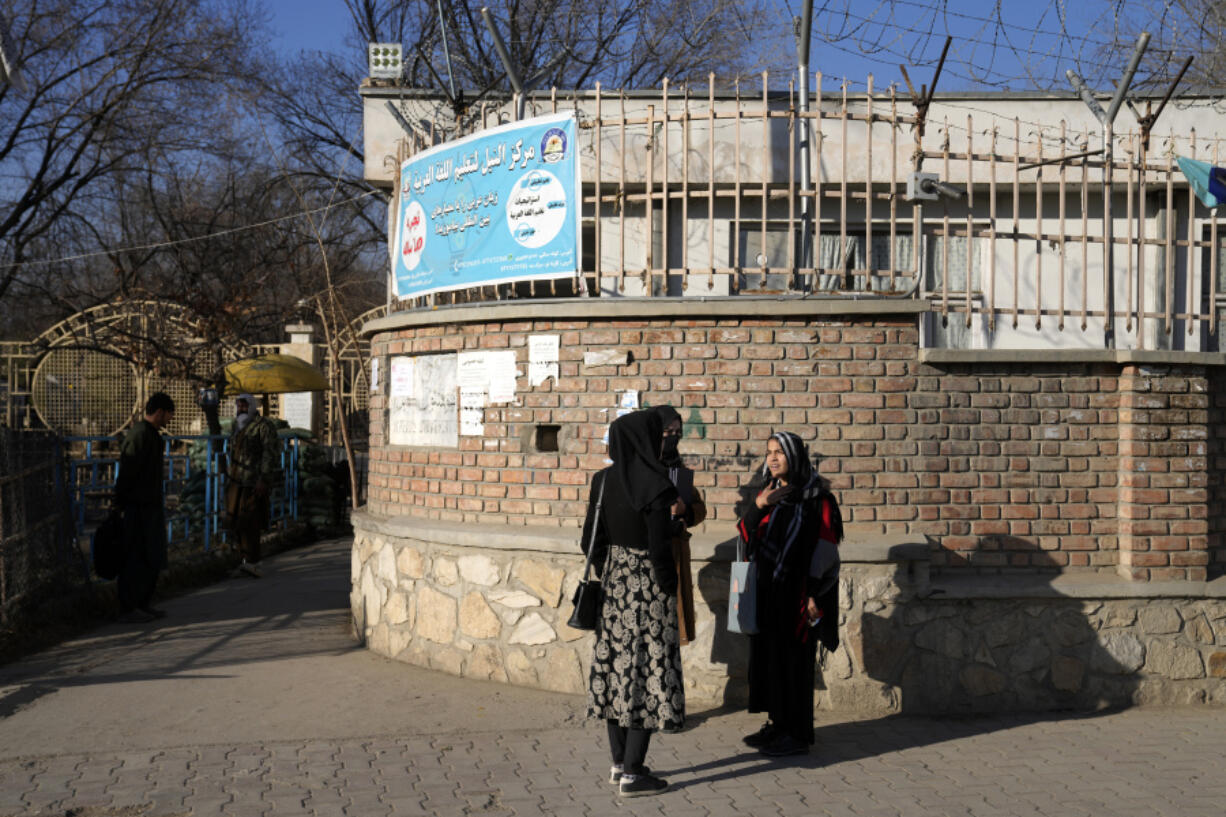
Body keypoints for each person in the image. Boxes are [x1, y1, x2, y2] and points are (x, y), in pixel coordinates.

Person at [582, 409, 685, 797]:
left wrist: (611, 570)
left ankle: (618, 763)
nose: (666, 440)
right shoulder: (655, 484)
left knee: (616, 671)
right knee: (646, 675)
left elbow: (588, 541)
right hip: (648, 590)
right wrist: (668, 588)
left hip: (613, 588)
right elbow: (659, 548)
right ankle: (635, 772)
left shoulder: (603, 481)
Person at [734, 430, 843, 757]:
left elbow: (826, 550)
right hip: (767, 593)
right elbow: (744, 534)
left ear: (795, 456)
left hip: (798, 596)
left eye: (779, 452)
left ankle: (797, 735)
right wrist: (757, 506)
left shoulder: (817, 498)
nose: (772, 458)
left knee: (795, 664)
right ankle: (778, 724)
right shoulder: (770, 494)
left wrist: (812, 594)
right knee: (771, 662)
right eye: (769, 452)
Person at [113, 392, 175, 623]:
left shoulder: (150, 435)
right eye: (168, 415)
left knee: (151, 555)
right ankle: (130, 606)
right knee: (136, 556)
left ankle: (143, 603)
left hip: (149, 506)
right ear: (159, 412)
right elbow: (128, 470)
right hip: (137, 507)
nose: (168, 420)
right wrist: (119, 502)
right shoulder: (140, 435)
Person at [653, 405, 706, 645]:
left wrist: (686, 511)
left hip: (675, 553)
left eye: (677, 432)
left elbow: (699, 508)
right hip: (652, 553)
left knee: (672, 630)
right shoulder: (644, 468)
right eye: (667, 432)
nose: (672, 437)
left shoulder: (678, 469)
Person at [225, 393, 281, 578]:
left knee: (250, 522)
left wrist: (264, 479)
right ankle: (242, 560)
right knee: (236, 521)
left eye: (244, 406)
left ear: (251, 407)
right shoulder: (237, 427)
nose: (241, 409)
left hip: (253, 482)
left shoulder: (263, 427)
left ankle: (252, 562)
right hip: (236, 481)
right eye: (238, 406)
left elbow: (269, 454)